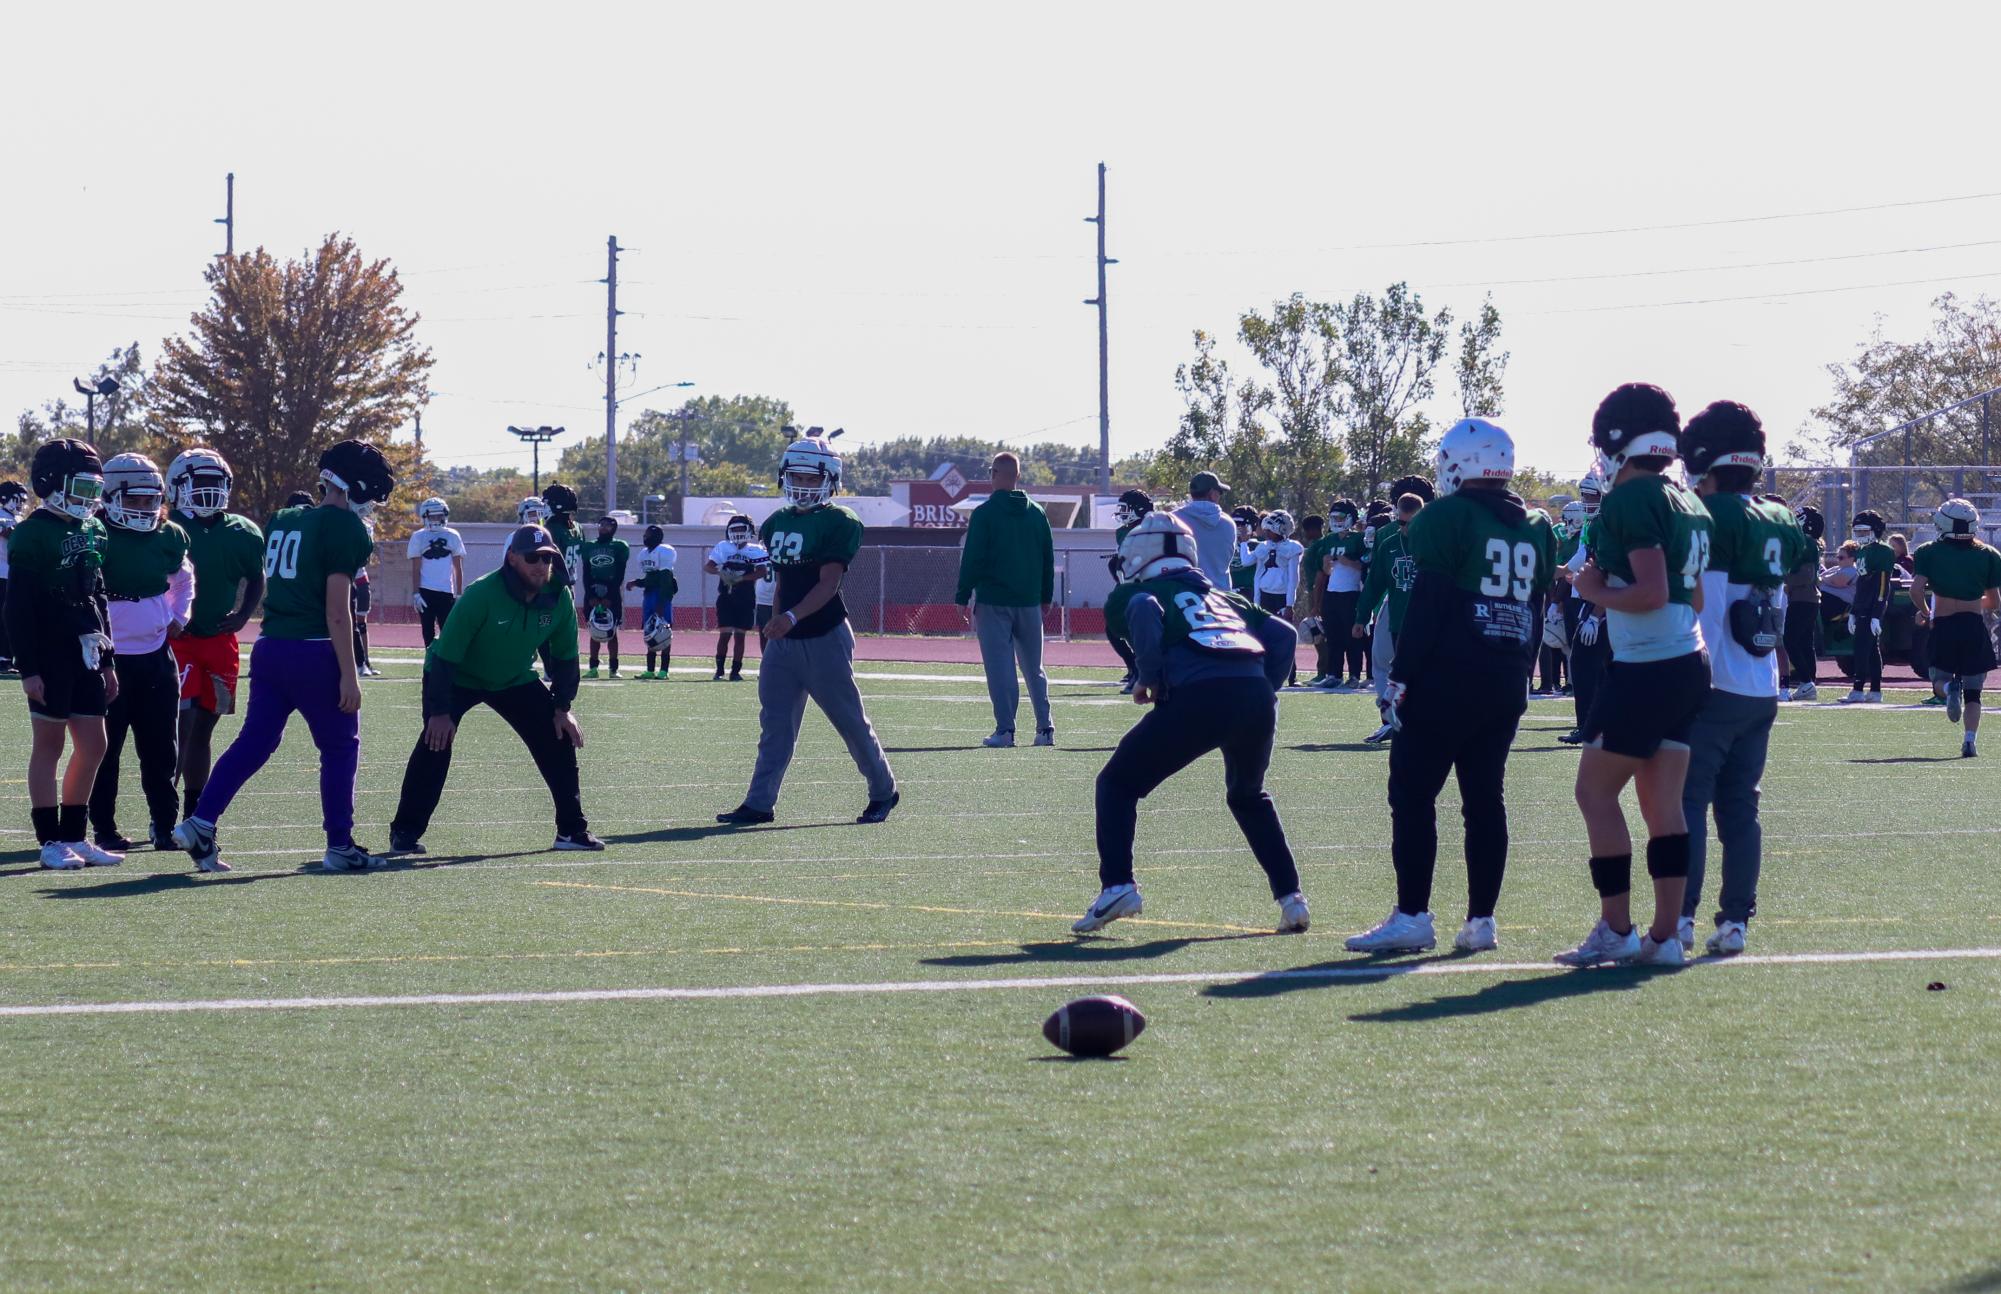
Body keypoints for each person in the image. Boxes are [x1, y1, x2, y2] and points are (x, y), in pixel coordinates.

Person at [1344, 421, 1550, 955]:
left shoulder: (1445, 515)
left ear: (1457, 463)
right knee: (1485, 800)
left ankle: (1413, 915)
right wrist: (1522, 671)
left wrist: (1401, 677)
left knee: (1412, 795)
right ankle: (1481, 921)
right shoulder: (1536, 523)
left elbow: (1431, 602)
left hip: (1448, 675)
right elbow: (1535, 607)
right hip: (1505, 676)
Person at [1072, 511, 1309, 936]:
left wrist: (1148, 677)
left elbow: (1145, 608)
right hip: (1254, 696)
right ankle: (1292, 899)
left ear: (1140, 555)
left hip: (1199, 697)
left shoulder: (1137, 593)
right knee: (1248, 796)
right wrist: (1261, 690)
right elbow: (1284, 636)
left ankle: (1118, 885)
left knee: (1117, 784)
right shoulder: (1225, 597)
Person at [172, 441, 395, 874]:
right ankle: (340, 845)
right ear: (357, 486)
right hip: (314, 652)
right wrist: (350, 674)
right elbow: (337, 610)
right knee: (339, 747)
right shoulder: (346, 529)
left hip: (271, 647)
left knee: (255, 742)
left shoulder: (285, 518)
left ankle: (201, 820)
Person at [1555, 383, 1713, 968]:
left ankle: (1616, 928)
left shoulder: (1630, 499)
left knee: (1594, 792)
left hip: (1647, 668)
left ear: (1619, 443)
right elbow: (1692, 596)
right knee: (1661, 804)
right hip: (1688, 661)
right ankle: (1665, 937)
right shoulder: (1687, 500)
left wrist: (1593, 590)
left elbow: (1652, 591)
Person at [1675, 401, 1808, 957]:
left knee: (1687, 805)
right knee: (1740, 808)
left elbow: (1693, 591)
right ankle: (1735, 921)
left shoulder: (1707, 514)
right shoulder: (1779, 517)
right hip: (1760, 686)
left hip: (1712, 682)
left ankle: (1679, 917)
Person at [386, 524, 602, 855]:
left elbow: (566, 658)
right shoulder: (481, 594)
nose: (541, 566)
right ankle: (405, 833)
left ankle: (571, 831)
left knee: (558, 738)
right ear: (512, 558)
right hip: (457, 675)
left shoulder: (559, 597)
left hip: (512, 677)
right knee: (435, 743)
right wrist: (441, 712)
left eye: (547, 558)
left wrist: (563, 708)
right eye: (532, 558)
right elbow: (445, 656)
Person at [717, 432, 898, 825]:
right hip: (786, 637)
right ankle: (759, 802)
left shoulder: (840, 521)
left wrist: (791, 618)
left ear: (830, 479)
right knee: (775, 726)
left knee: (850, 722)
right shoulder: (776, 522)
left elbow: (828, 583)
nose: (802, 485)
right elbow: (782, 582)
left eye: (812, 478)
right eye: (796, 476)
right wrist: (776, 625)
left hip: (824, 636)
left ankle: (884, 791)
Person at [7, 439, 124, 869]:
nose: (90, 499)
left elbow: (98, 597)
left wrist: (109, 659)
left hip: (87, 649)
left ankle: (76, 833)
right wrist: (29, 668)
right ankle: (49, 841)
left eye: (95, 489)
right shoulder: (32, 533)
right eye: (82, 488)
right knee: (50, 743)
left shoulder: (92, 529)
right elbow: (17, 608)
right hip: (51, 650)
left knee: (94, 743)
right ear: (51, 483)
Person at [87, 454, 194, 854]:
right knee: (105, 750)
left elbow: (184, 579)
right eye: (135, 500)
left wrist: (180, 615)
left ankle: (164, 826)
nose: (145, 509)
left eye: (152, 501)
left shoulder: (169, 536)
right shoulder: (95, 533)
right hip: (106, 658)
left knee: (161, 748)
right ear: (110, 496)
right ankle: (103, 829)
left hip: (155, 655)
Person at [164, 448, 266, 823]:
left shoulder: (243, 531)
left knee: (204, 726)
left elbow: (256, 576)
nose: (208, 491)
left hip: (220, 642)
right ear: (177, 487)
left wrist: (242, 615)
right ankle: (165, 809)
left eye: (215, 483)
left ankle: (194, 811)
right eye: (199, 483)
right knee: (183, 722)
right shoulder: (166, 527)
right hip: (178, 638)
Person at [956, 451, 1056, 747]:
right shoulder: (1037, 513)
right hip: (1029, 602)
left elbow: (973, 558)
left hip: (994, 601)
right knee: (1034, 668)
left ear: (994, 475)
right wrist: (1046, 595)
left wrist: (962, 595)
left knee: (1000, 668)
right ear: (1018, 476)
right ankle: (1045, 729)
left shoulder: (985, 513)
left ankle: (1006, 730)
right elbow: (1047, 557)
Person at [1910, 499, 2001, 758]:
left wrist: (1927, 614)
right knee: (1974, 692)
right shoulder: (1989, 555)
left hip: (1944, 623)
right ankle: (1970, 739)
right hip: (1973, 624)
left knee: (1939, 679)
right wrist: (1973, 601)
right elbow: (1994, 602)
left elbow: (1916, 590)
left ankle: (1950, 691)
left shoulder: (1928, 551)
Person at [1354, 489, 1427, 744]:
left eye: (1411, 523)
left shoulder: (1434, 543)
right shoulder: (1389, 544)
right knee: (1398, 675)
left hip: (1429, 623)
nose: (1405, 528)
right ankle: (1391, 723)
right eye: (1401, 522)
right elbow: (1374, 584)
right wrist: (1361, 617)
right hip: (1399, 621)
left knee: (1427, 677)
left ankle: (1426, 727)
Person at [1559, 467, 1609, 744]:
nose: (1587, 501)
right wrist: (1554, 572)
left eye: (1592, 496)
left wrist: (1596, 613)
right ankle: (1592, 726)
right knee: (1589, 664)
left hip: (1604, 602)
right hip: (1596, 601)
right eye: (1585, 496)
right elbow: (1581, 558)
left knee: (1586, 662)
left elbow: (1608, 568)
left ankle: (1592, 727)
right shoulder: (1593, 523)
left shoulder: (1607, 522)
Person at [706, 514, 768, 681]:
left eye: (742, 528)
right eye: (735, 529)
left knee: (740, 636)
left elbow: (762, 571)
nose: (738, 532)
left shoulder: (755, 550)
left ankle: (735, 671)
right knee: (724, 634)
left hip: (745, 597)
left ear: (749, 530)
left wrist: (741, 578)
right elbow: (708, 566)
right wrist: (721, 572)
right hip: (726, 597)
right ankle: (719, 670)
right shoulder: (723, 547)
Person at [1844, 509, 1895, 704]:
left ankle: (1858, 689)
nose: (1861, 535)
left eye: (1865, 531)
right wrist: (1854, 612)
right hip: (1863, 604)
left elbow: (1882, 584)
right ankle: (1875, 690)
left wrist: (1876, 613)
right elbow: (1862, 584)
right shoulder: (1862, 551)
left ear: (1875, 530)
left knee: (1863, 647)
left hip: (1874, 604)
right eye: (1858, 531)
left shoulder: (1882, 551)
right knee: (1871, 648)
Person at [1107, 488, 1155, 693]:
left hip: (1148, 585)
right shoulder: (1123, 532)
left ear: (1138, 509)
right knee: (1114, 628)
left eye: (1125, 508)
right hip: (1128, 584)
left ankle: (1142, 671)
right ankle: (1134, 667)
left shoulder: (1152, 528)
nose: (1121, 512)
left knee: (1138, 630)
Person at [1317, 499, 1367, 688]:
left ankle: (1354, 674)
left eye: (1339, 517)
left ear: (1349, 518)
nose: (1336, 520)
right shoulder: (1329, 539)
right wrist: (1326, 564)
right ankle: (1333, 674)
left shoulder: (1358, 539)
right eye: (1333, 517)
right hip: (1332, 592)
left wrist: (1349, 562)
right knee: (1333, 635)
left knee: (1352, 636)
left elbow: (1364, 565)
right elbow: (1326, 571)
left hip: (1351, 592)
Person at [407, 496, 465, 646]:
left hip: (446, 591)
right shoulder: (418, 536)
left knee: (448, 633)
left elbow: (458, 567)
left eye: (439, 515)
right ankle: (430, 665)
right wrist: (416, 593)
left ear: (445, 515)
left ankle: (444, 666)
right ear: (425, 516)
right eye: (432, 515)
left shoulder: (452, 535)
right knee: (428, 634)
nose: (436, 518)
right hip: (425, 591)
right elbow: (416, 568)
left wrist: (459, 594)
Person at [579, 514, 631, 679]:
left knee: (611, 631)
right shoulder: (589, 546)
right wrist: (590, 595)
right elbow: (586, 574)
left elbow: (620, 574)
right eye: (601, 524)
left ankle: (613, 668)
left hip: (612, 590)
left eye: (608, 525)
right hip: (593, 589)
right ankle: (593, 667)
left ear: (613, 528)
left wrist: (610, 595)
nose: (603, 527)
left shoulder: (620, 546)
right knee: (594, 630)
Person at [1782, 504, 1826, 699]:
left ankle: (1806, 681)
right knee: (1806, 642)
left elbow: (1806, 576)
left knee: (1790, 640)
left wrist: (1784, 580)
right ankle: (1809, 683)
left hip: (1803, 596)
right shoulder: (1810, 542)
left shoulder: (1806, 543)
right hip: (1809, 597)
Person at [629, 523, 678, 678]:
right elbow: (650, 579)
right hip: (649, 595)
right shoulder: (644, 554)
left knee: (664, 631)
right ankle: (650, 670)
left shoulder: (664, 551)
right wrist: (637, 582)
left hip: (661, 596)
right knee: (650, 631)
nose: (645, 537)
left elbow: (665, 580)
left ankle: (664, 670)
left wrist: (662, 603)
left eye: (648, 534)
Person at [1172, 470, 1237, 588]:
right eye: (1219, 492)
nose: (1220, 496)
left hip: (1186, 597)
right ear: (1212, 494)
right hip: (1221, 596)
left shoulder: (1173, 519)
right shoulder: (1228, 524)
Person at [0, 480, 28, 675]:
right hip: (1, 574)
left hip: (11, 574)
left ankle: (9, 656)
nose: (21, 503)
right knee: (4, 618)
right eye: (17, 499)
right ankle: (3, 657)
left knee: (14, 617)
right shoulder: (2, 516)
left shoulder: (16, 518)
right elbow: (9, 534)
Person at [1228, 506, 1262, 598]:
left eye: (1241, 524)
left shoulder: (1259, 545)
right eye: (1235, 523)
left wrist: (1244, 542)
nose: (1238, 527)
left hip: (1249, 594)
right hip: (1228, 592)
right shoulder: (1225, 544)